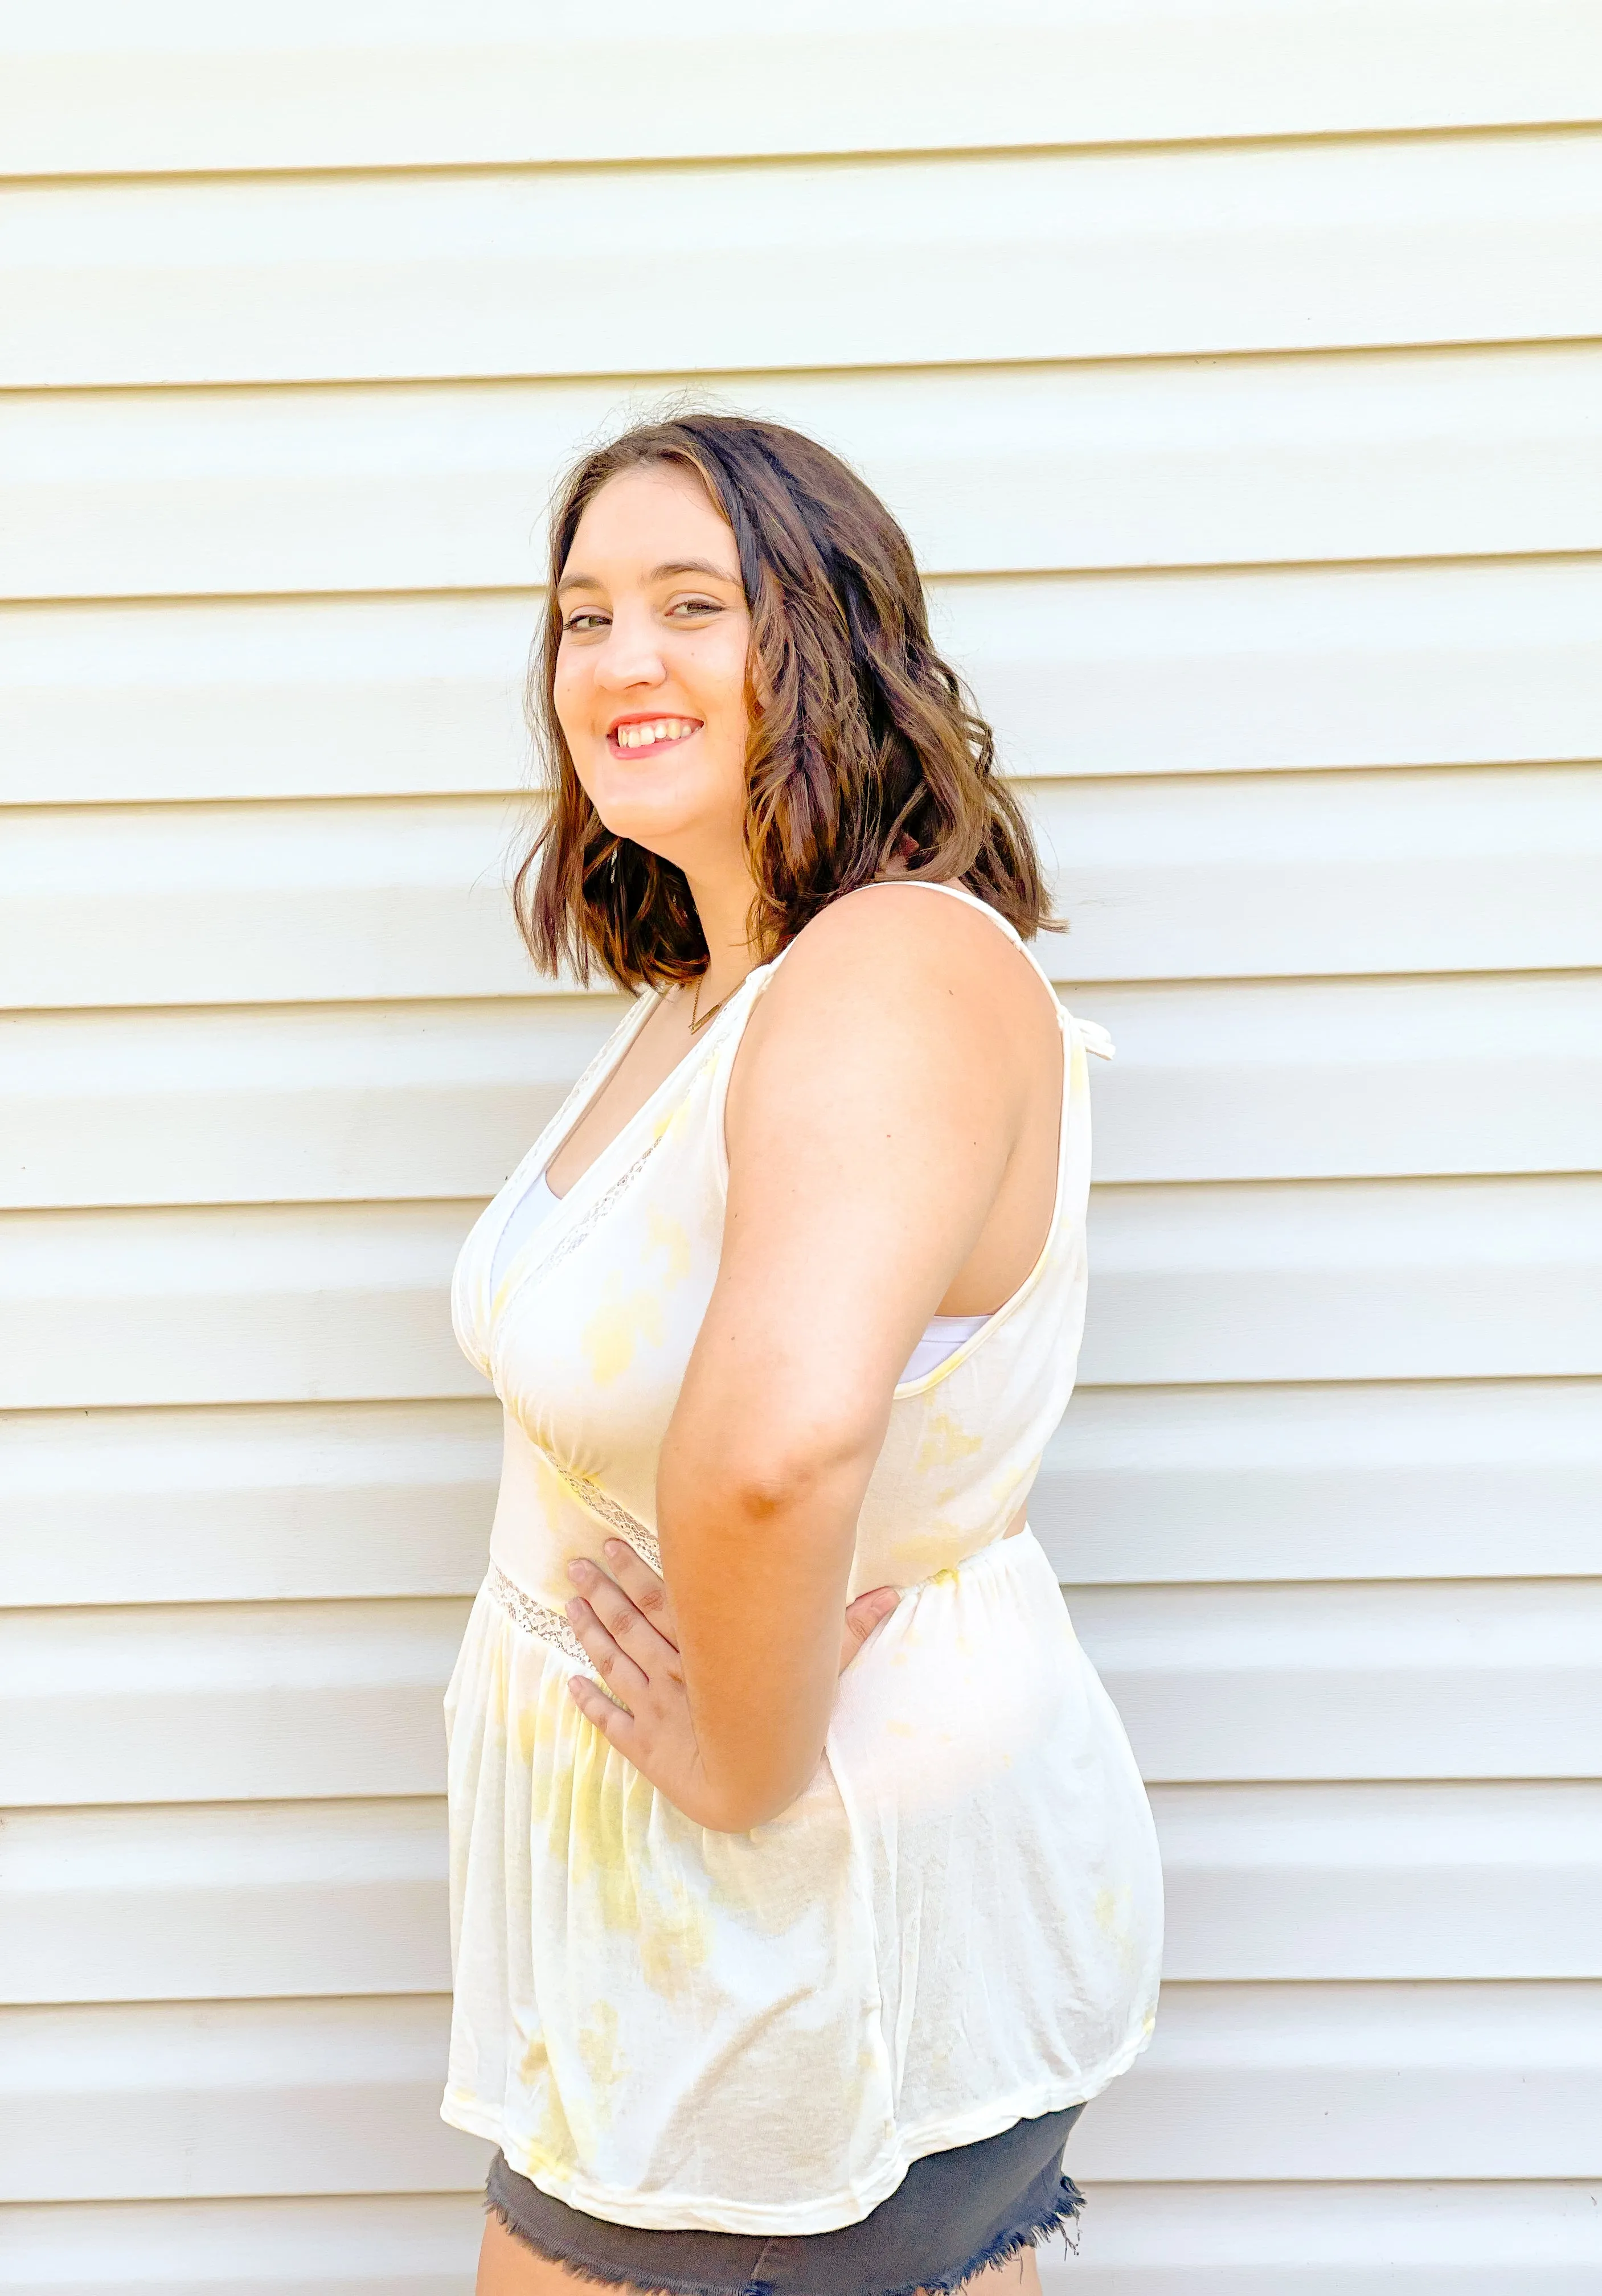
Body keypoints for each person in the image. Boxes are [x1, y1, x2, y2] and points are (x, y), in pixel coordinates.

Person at [443, 413, 1162, 2296]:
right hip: (707, 1924)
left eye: (695, 603)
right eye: (582, 616)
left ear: (830, 647)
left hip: (793, 1904)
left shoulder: (886, 970)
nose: (619, 660)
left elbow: (773, 1447)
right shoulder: (712, 995)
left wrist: (739, 1758)